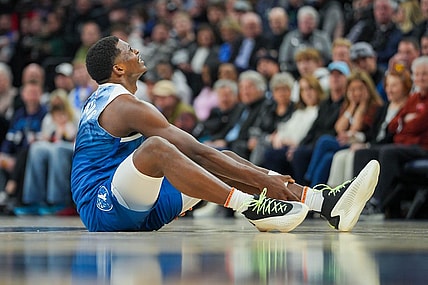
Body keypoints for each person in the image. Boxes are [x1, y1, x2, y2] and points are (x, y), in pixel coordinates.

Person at [70, 36, 380, 233]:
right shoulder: (124, 105)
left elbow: (208, 157)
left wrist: (265, 180)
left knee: (226, 158)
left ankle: (325, 203)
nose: (136, 50)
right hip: (103, 206)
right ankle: (250, 206)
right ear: (119, 69)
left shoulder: (110, 99)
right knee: (158, 149)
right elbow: (198, 152)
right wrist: (265, 182)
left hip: (139, 206)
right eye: (128, 49)